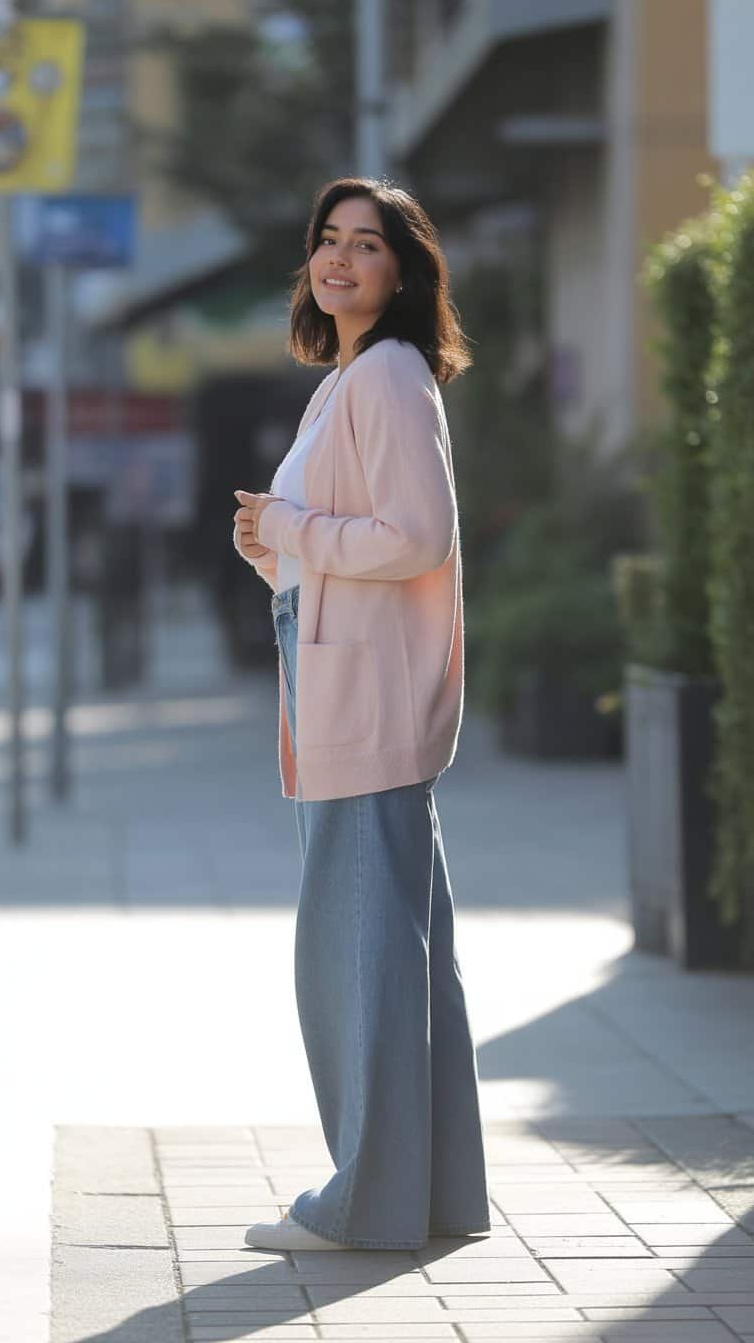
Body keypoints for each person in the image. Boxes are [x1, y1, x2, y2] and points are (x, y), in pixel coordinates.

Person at [232, 176, 492, 1251]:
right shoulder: (352, 379)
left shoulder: (384, 376)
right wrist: (276, 547)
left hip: (366, 706)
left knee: (360, 959)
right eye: (328, 241)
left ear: (404, 268)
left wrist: (297, 524)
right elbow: (349, 542)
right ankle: (429, 1197)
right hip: (350, 686)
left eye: (367, 245)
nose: (340, 260)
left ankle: (365, 1205)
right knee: (401, 955)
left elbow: (413, 536)